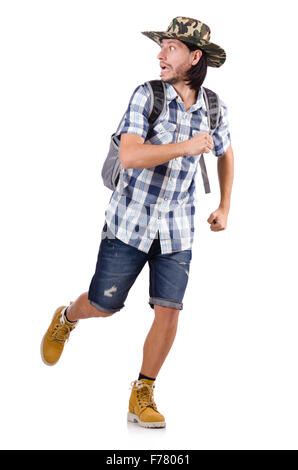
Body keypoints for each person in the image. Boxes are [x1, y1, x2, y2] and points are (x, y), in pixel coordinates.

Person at [41, 16, 234, 429]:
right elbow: (129, 156)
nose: (160, 55)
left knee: (169, 311)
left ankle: (143, 391)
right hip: (129, 223)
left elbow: (225, 151)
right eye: (161, 46)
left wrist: (225, 205)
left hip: (178, 229)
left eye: (171, 48)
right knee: (103, 305)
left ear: (194, 56)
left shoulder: (214, 107)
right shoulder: (147, 96)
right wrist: (185, 146)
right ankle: (67, 318)